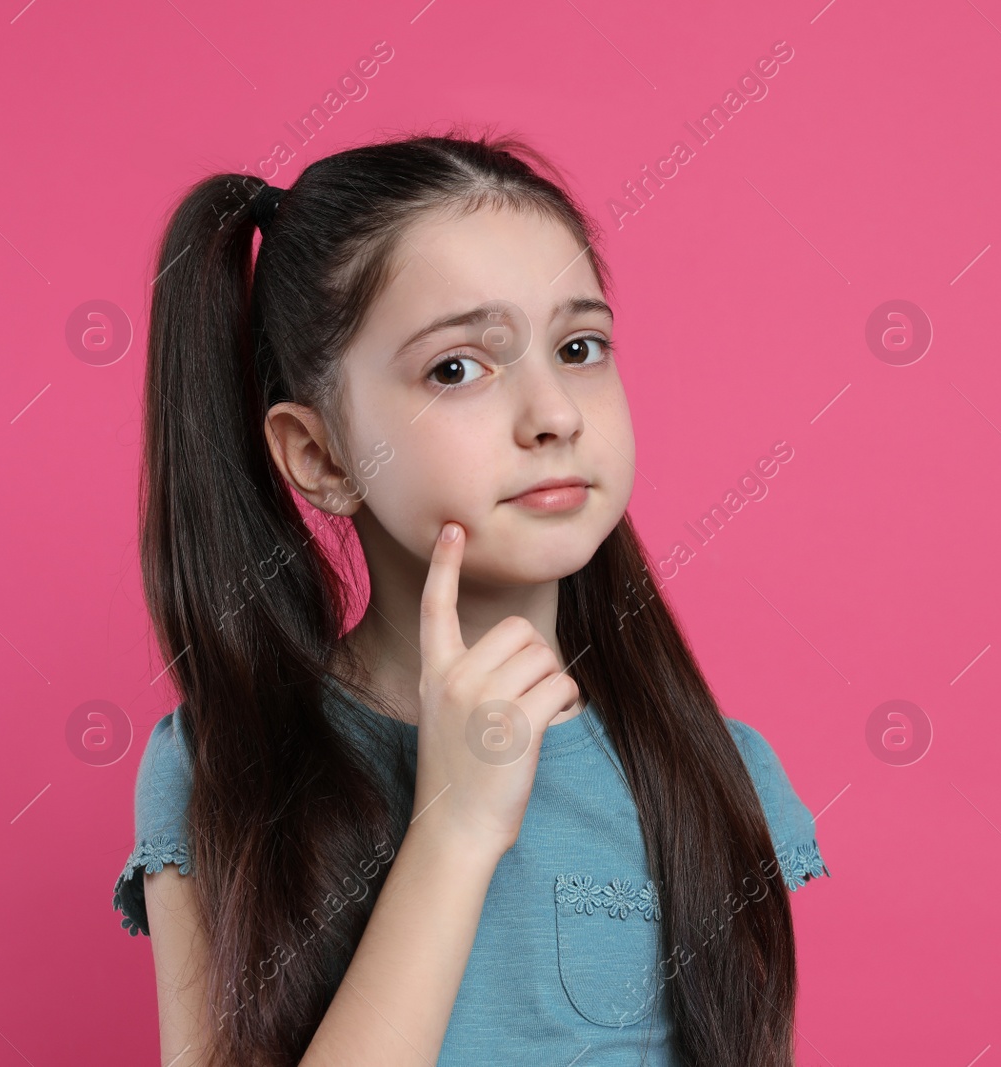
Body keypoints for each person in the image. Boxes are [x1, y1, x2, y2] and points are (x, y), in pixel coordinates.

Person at [109, 129, 827, 1067]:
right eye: (458, 367)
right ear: (321, 456)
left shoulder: (711, 773)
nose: (555, 413)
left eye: (580, 346)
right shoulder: (228, 767)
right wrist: (453, 828)